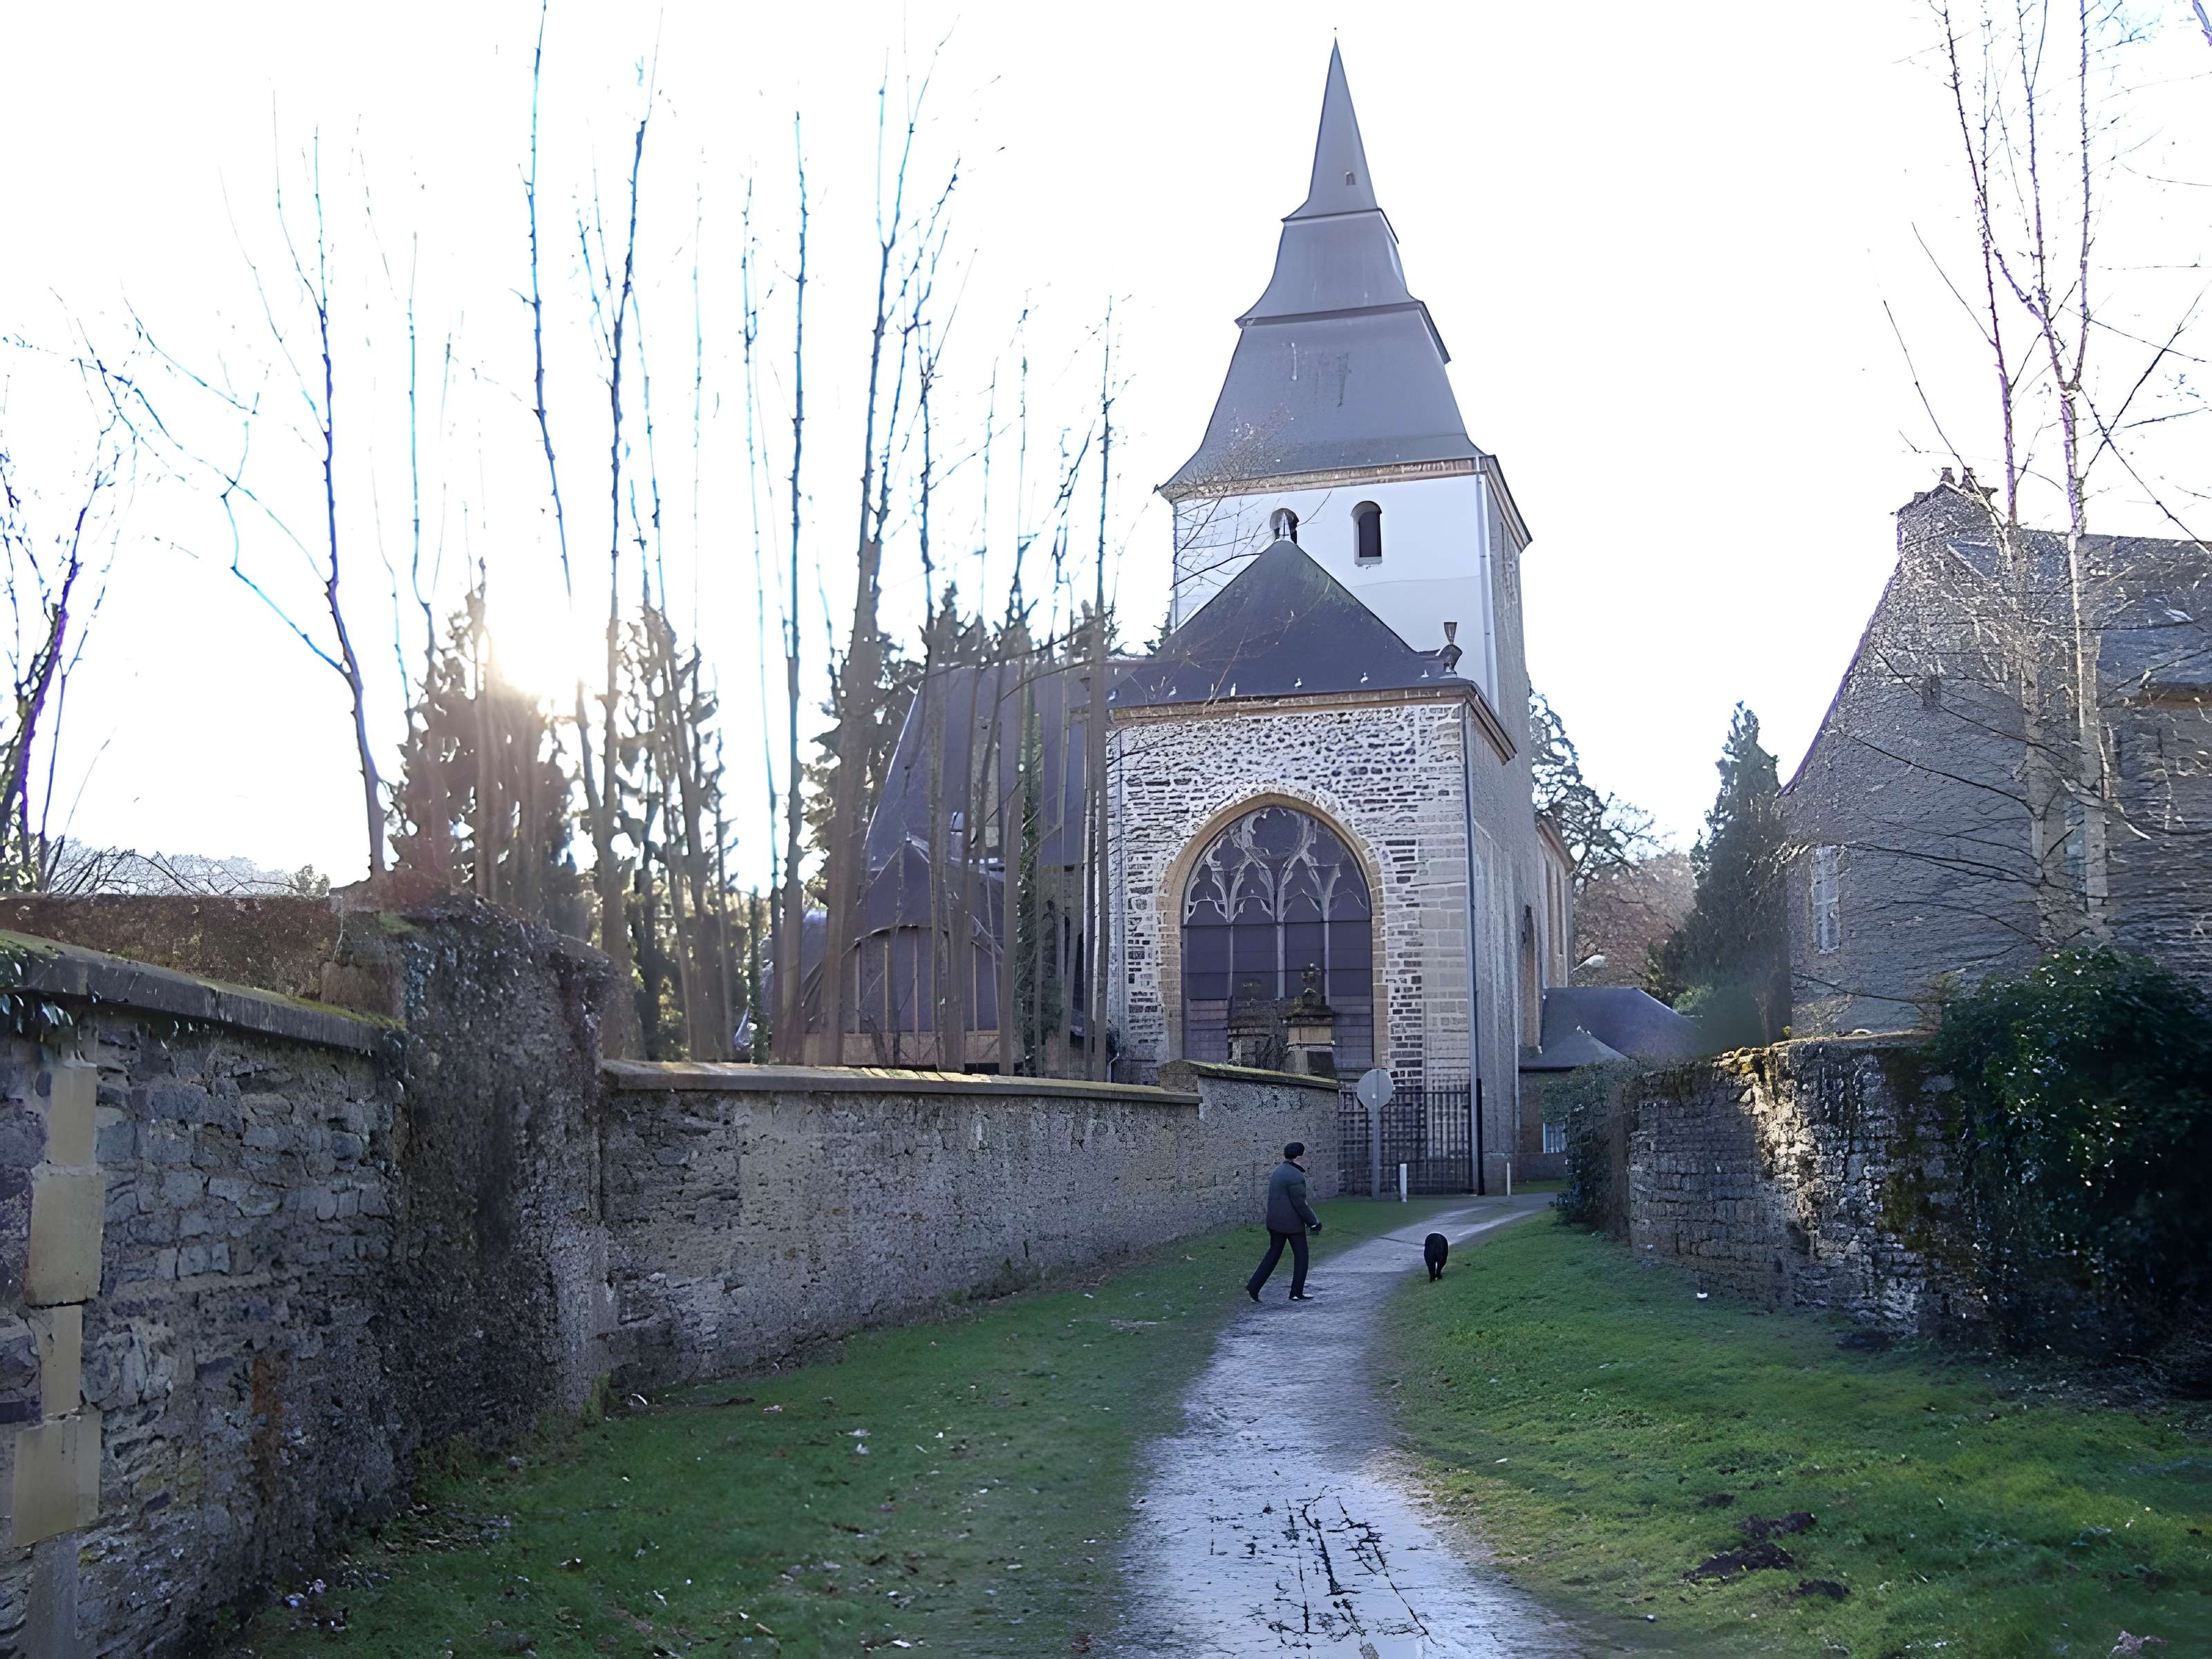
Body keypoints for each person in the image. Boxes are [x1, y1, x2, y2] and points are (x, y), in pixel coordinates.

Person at [1246, 1141, 1323, 1302]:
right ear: (1298, 1157)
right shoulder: (1295, 1175)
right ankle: (1296, 1292)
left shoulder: (1278, 1171)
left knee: (1273, 1254)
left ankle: (1254, 1286)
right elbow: (1300, 1203)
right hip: (1291, 1225)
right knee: (1302, 1256)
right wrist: (1314, 1222)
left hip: (1275, 1222)